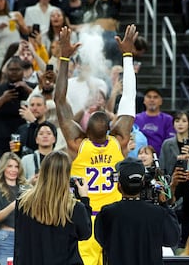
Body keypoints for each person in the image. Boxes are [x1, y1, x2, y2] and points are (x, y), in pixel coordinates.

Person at [54, 24, 137, 265]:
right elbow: (129, 98)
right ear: (111, 128)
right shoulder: (119, 141)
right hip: (113, 218)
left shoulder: (76, 143)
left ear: (84, 129)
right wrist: (128, 55)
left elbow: (59, 100)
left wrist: (63, 57)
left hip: (86, 219)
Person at [94, 157, 180, 265]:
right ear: (143, 183)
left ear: (119, 185)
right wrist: (165, 204)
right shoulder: (158, 213)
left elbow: (101, 240)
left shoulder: (107, 213)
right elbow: (172, 239)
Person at [14, 150, 92, 264]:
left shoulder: (22, 203)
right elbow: (85, 234)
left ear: (43, 171)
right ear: (66, 175)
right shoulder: (74, 207)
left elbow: (19, 243)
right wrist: (84, 199)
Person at [0, 56, 33, 158]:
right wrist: (3, 98)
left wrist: (27, 89)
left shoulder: (31, 87)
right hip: (2, 136)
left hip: (26, 135)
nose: (14, 72)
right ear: (6, 71)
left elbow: (43, 101)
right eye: (11, 69)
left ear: (23, 71)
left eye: (17, 69)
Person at [0, 152, 29, 265]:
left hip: (27, 237)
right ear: (3, 168)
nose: (13, 170)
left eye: (16, 166)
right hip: (6, 238)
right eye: (10, 166)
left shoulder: (27, 188)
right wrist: (15, 204)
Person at [135, 87, 176, 157]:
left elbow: (170, 143)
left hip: (160, 158)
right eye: (149, 97)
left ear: (161, 101)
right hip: (139, 158)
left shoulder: (168, 120)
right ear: (144, 100)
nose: (152, 100)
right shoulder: (135, 118)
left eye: (155, 97)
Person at [159, 111, 189, 177]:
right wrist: (177, 158)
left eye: (184, 121)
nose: (180, 124)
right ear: (173, 125)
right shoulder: (167, 144)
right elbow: (162, 167)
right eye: (177, 121)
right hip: (171, 180)